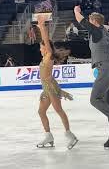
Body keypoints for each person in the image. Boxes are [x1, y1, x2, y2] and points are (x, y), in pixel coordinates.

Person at [74, 5, 109, 149]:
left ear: (94, 22)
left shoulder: (97, 31)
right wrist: (103, 25)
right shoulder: (108, 34)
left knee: (95, 100)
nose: (88, 21)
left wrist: (76, 11)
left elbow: (81, 21)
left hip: (105, 69)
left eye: (90, 20)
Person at [36, 15, 78, 150]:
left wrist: (42, 27)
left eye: (41, 47)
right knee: (41, 112)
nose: (40, 49)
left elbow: (46, 42)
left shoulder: (48, 56)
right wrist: (42, 27)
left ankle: (70, 135)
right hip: (46, 88)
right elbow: (45, 41)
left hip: (51, 87)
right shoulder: (45, 57)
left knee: (59, 110)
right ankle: (48, 135)